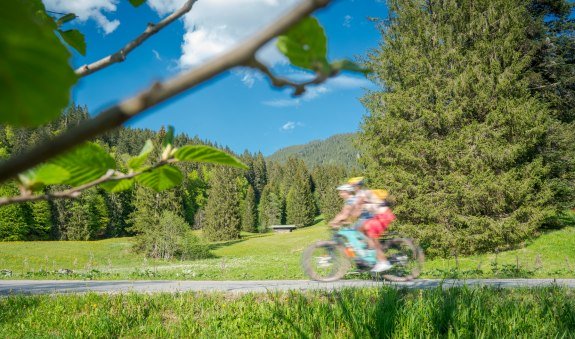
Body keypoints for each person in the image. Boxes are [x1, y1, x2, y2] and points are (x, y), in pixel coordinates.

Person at [347, 177, 394, 272]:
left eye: (352, 186)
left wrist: (346, 217)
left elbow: (357, 212)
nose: (351, 188)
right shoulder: (362, 194)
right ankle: (371, 256)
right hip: (382, 215)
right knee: (362, 230)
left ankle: (383, 262)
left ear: (357, 186)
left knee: (371, 235)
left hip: (383, 215)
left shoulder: (362, 194)